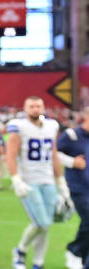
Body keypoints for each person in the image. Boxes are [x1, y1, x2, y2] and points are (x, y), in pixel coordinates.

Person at [7, 96, 70, 269]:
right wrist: (16, 179)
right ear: (25, 108)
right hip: (29, 181)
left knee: (45, 226)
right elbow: (10, 154)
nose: (35, 109)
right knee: (41, 223)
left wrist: (61, 182)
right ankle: (20, 250)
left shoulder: (52, 125)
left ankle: (38, 262)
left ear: (43, 107)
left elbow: (54, 155)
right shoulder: (18, 126)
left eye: (38, 106)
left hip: (48, 180)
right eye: (32, 106)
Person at [56, 107, 89, 269]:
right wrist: (72, 162)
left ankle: (83, 257)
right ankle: (75, 251)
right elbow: (54, 153)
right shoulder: (72, 135)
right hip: (78, 187)